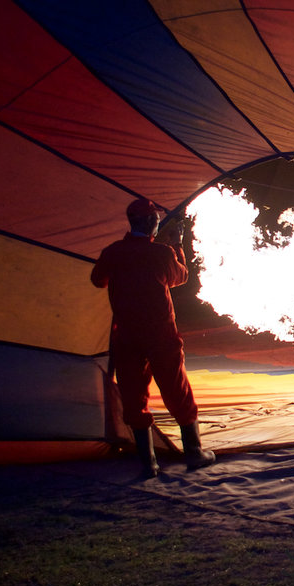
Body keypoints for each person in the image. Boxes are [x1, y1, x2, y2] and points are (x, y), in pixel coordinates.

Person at [91, 198, 215, 478]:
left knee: (134, 394)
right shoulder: (162, 254)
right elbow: (181, 277)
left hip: (127, 335)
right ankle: (194, 453)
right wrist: (176, 244)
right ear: (151, 224)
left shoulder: (113, 252)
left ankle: (148, 463)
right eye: (157, 220)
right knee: (176, 388)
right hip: (161, 334)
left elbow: (98, 280)